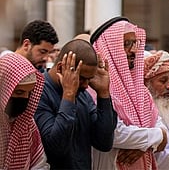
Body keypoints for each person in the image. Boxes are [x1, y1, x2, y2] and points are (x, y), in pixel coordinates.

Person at [90, 16, 167, 170]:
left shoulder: (141, 91)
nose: (133, 50)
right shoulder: (94, 88)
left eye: (134, 43)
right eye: (126, 44)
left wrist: (147, 142)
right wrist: (155, 138)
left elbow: (162, 128)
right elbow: (115, 134)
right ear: (110, 48)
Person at [34, 39, 117, 169]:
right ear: (61, 68)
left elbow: (104, 143)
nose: (85, 85)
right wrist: (68, 96)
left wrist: (103, 94)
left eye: (89, 79)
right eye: (82, 78)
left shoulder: (83, 95)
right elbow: (56, 148)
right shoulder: (39, 93)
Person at [0, 53, 48, 169]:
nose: (26, 98)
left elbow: (40, 163)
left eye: (30, 92)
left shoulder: (27, 123)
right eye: (19, 92)